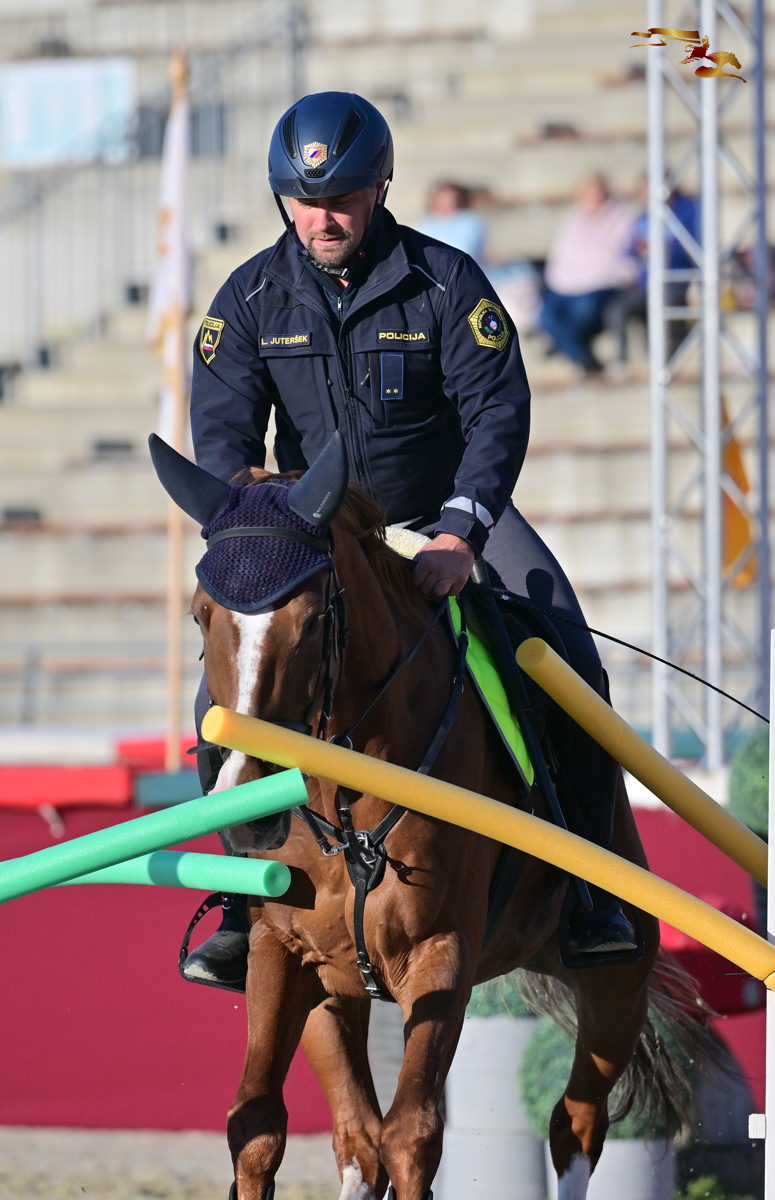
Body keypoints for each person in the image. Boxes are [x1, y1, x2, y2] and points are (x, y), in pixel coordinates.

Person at [183, 91, 637, 989]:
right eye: (304, 201)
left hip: (444, 515)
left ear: (381, 187)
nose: (322, 218)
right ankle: (242, 903)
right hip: (312, 537)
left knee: (574, 660)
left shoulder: (446, 281)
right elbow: (224, 438)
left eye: (342, 199)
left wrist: (463, 529)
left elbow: (496, 409)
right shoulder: (245, 297)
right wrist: (256, 530)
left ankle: (592, 892)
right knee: (221, 691)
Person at [539, 172, 638, 376]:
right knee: (546, 317)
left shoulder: (622, 219)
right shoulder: (573, 220)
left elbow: (618, 260)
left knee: (581, 315)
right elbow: (560, 256)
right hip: (565, 286)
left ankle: (571, 352)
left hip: (601, 285)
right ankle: (584, 359)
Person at [418, 179, 487, 265]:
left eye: (450, 198)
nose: (448, 202)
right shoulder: (427, 223)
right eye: (443, 198)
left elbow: (465, 250)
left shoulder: (470, 221)